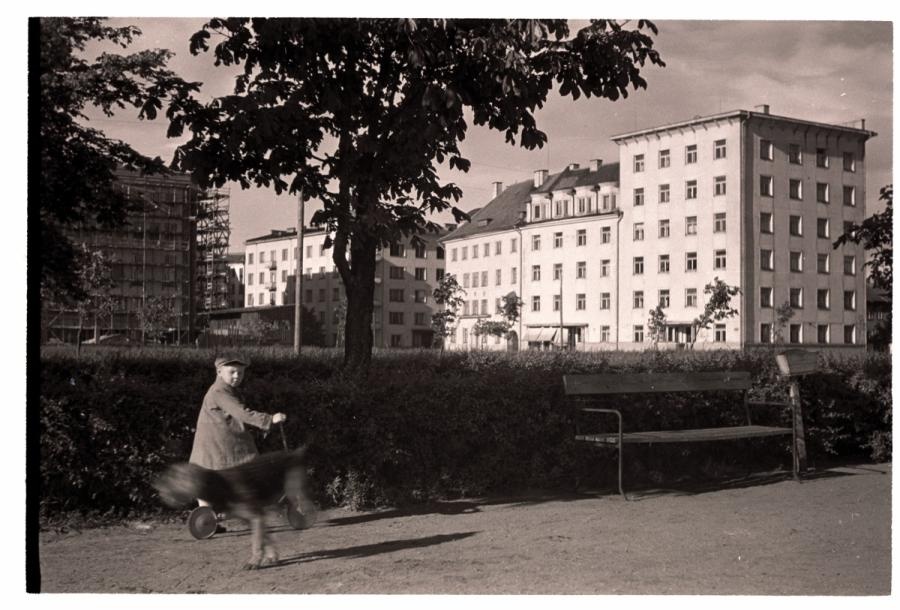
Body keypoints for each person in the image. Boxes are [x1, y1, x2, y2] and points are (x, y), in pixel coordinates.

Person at [189, 354, 287, 509]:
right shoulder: (219, 391)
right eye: (232, 372)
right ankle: (240, 508)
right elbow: (241, 413)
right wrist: (269, 419)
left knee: (213, 478)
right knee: (248, 469)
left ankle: (208, 515)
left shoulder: (225, 390)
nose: (237, 376)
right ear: (219, 372)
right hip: (218, 444)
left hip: (216, 443)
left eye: (240, 373)